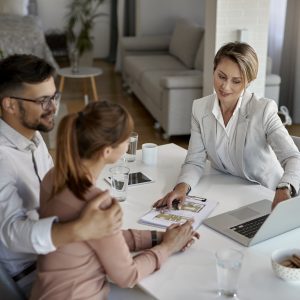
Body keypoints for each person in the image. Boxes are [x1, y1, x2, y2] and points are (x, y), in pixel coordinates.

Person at [29, 100, 199, 300]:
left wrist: (160, 237)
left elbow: (106, 238)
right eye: (127, 138)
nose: (129, 143)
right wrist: (168, 247)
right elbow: (128, 275)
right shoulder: (96, 203)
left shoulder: (53, 177)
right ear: (107, 151)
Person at [0, 54, 122, 295]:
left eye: (54, 96)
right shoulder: (2, 158)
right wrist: (81, 229)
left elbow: (54, 193)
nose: (53, 107)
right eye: (43, 100)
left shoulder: (33, 137)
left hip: (60, 253)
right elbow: (12, 233)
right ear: (10, 104)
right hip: (33, 273)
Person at [153, 42, 300, 211]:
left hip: (268, 195)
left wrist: (284, 188)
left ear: (248, 82)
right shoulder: (200, 109)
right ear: (213, 70)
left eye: (236, 81)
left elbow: (293, 157)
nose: (225, 86)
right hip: (227, 192)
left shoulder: (263, 110)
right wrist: (181, 188)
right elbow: (195, 161)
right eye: (221, 76)